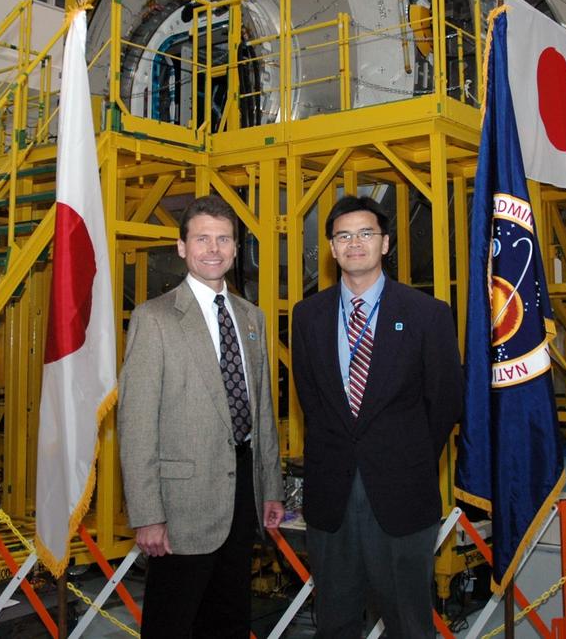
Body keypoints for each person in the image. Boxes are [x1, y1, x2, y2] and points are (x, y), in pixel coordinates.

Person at [291, 194, 464, 638]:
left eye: (366, 233)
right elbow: (312, 399)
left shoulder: (428, 314)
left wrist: (402, 457)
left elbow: (444, 402)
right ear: (330, 248)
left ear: (385, 244)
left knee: (409, 623)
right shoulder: (308, 317)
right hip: (332, 499)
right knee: (335, 621)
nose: (354, 243)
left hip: (402, 496)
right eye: (343, 235)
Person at [118, 195, 285, 638]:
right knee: (171, 623)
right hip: (179, 510)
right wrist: (147, 514)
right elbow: (135, 424)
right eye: (202, 239)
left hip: (242, 499)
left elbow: (262, 408)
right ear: (181, 247)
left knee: (228, 621)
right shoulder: (154, 318)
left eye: (224, 239)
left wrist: (271, 488)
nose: (214, 249)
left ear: (235, 248)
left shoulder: (252, 318)